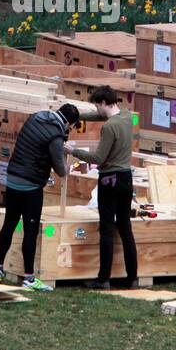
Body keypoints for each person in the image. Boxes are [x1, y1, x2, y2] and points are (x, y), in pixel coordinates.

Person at [0, 102, 81, 292]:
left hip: (13, 178)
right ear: (68, 124)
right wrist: (70, 166)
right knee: (30, 231)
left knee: (9, 223)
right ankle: (29, 278)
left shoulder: (36, 117)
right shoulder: (56, 135)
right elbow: (59, 170)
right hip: (30, 186)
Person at [66, 86, 137, 290]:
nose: (97, 109)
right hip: (126, 179)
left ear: (104, 103)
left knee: (106, 229)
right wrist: (79, 115)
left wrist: (74, 150)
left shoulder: (109, 128)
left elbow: (98, 158)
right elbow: (100, 116)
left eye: (98, 105)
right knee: (125, 228)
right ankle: (133, 278)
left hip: (109, 179)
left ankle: (103, 279)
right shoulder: (126, 116)